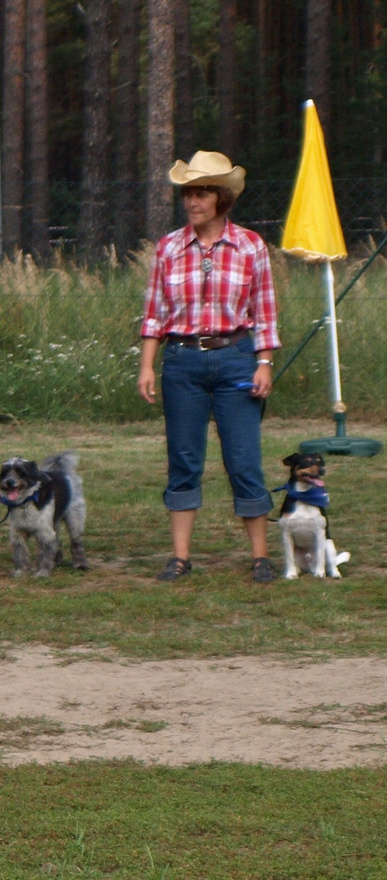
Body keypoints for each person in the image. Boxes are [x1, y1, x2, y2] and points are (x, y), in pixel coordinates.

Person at [137, 150, 280, 583]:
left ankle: (260, 557)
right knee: (183, 458)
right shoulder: (168, 248)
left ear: (221, 198)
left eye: (200, 194)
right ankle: (180, 557)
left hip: (237, 358)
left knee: (244, 459)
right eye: (187, 194)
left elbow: (265, 311)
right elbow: (154, 313)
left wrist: (264, 363)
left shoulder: (251, 245)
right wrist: (148, 365)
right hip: (182, 362)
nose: (192, 203)